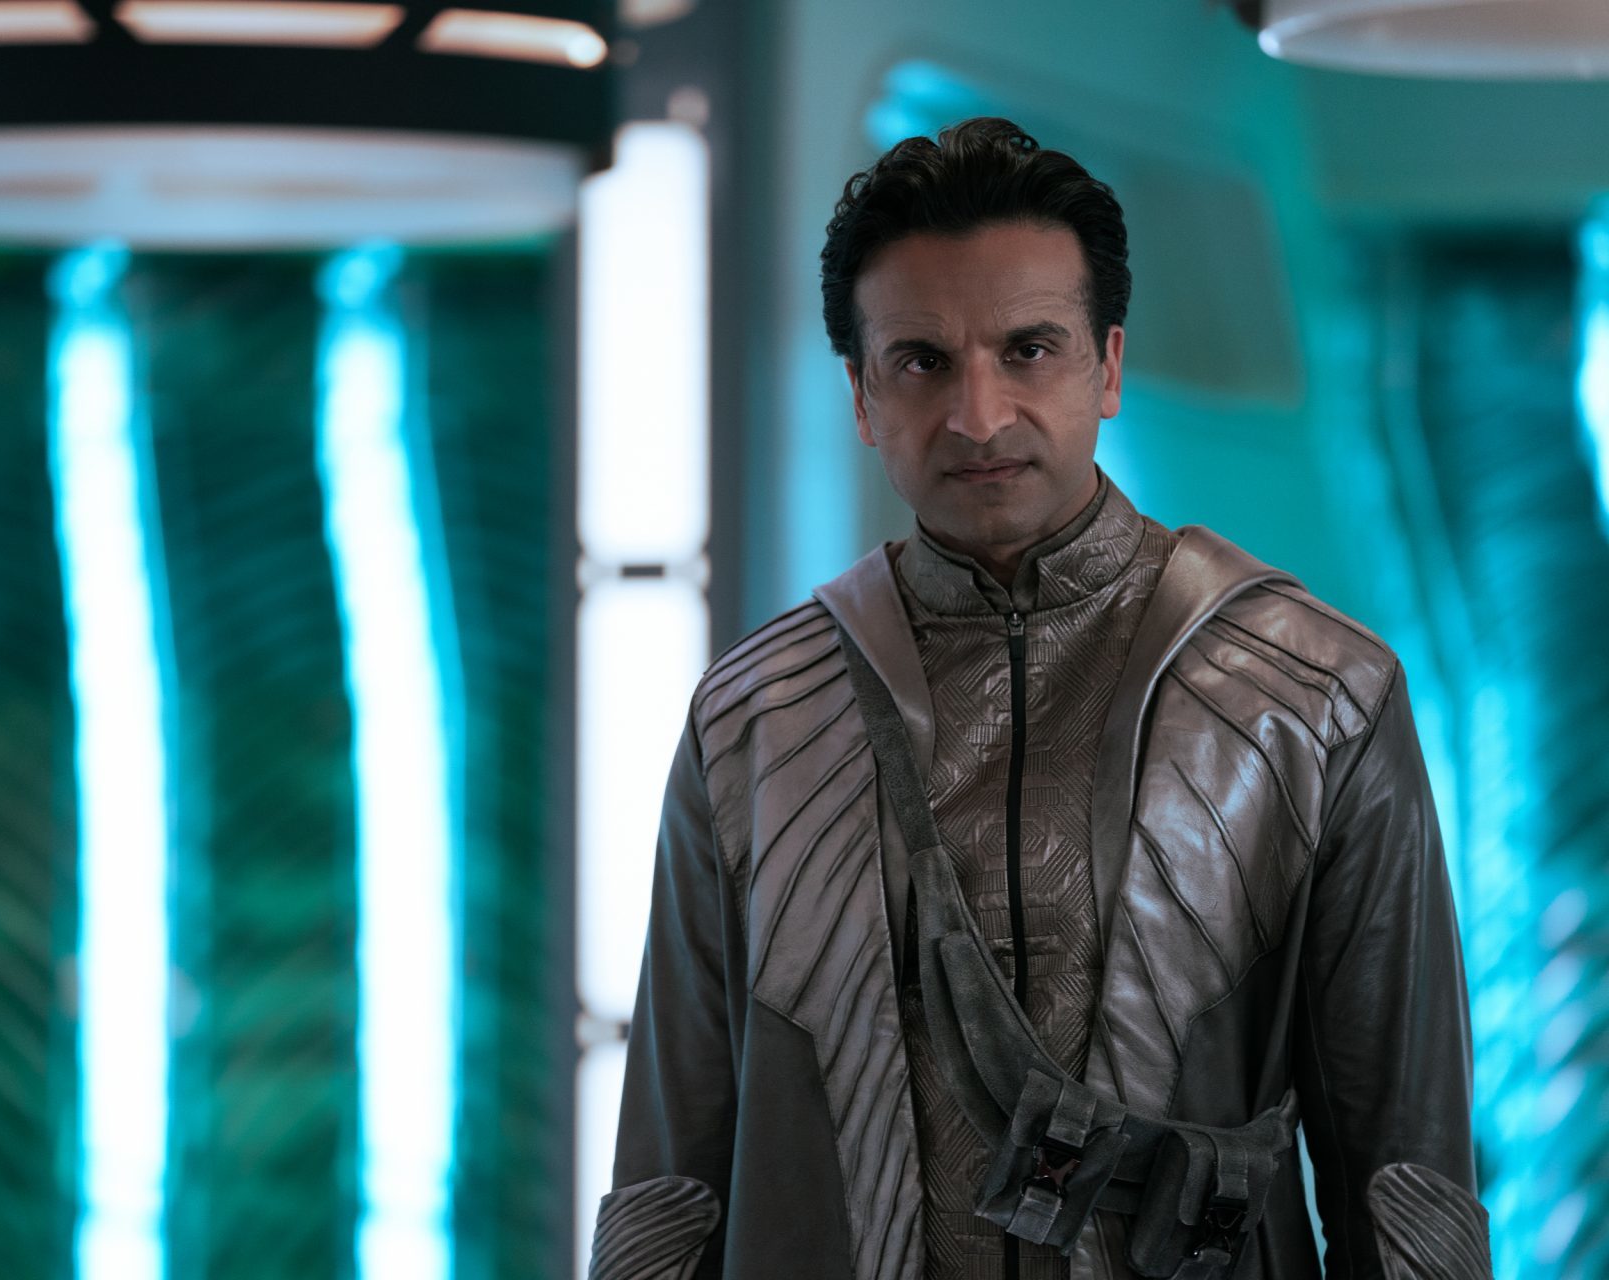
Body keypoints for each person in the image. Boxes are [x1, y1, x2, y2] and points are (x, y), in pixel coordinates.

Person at [589, 119, 1487, 1280]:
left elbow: (1405, 1184)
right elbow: (670, 1192)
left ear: (1106, 365)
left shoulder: (1314, 698)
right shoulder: (758, 719)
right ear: (862, 392)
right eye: (921, 361)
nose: (978, 415)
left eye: (1028, 349)